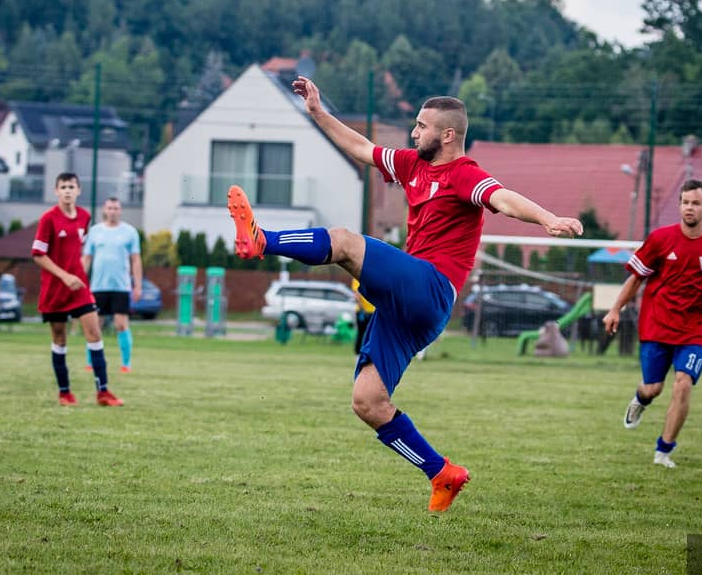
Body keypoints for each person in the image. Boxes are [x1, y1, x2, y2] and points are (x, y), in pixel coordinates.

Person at [227, 76, 583, 512]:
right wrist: (318, 113)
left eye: (421, 126)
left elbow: (503, 199)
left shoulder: (464, 174)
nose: (414, 133)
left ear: (447, 135)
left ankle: (262, 240)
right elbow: (362, 148)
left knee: (345, 242)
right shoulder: (413, 165)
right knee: (368, 402)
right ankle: (442, 473)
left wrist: (548, 219)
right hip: (407, 305)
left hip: (432, 288)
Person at [603, 179, 702, 468]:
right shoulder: (660, 239)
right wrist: (615, 309)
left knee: (683, 383)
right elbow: (636, 279)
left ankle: (663, 451)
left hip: (695, 329)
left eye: (695, 203)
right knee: (653, 388)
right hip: (656, 324)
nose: (689, 208)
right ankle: (641, 399)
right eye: (685, 202)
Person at [31, 172, 123, 407]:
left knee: (94, 333)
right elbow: (38, 255)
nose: (67, 191)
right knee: (59, 338)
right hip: (55, 289)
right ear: (56, 191)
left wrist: (76, 274)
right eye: (63, 187)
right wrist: (64, 276)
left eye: (71, 187)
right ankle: (65, 393)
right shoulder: (48, 219)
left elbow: (76, 250)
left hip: (78, 287)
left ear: (78, 190)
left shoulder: (84, 216)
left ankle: (103, 392)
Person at [82, 197, 142, 373]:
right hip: (98, 286)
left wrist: (137, 286)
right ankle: (91, 362)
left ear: (120, 211)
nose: (113, 211)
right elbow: (86, 258)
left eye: (116, 208)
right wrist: (79, 281)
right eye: (110, 208)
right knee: (95, 324)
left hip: (121, 286)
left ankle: (126, 364)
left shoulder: (130, 232)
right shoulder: (95, 232)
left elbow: (136, 260)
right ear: (104, 210)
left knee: (121, 324)